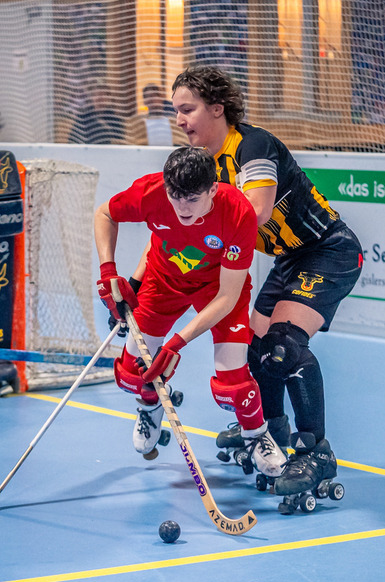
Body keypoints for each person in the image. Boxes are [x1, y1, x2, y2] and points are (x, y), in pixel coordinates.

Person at [171, 66, 364, 499]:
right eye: (176, 111)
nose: (179, 120)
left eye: (187, 109)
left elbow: (255, 212)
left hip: (328, 250)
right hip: (289, 259)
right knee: (256, 349)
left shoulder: (251, 144)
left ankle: (315, 452)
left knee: (283, 347)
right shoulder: (204, 163)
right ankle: (270, 432)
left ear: (217, 108)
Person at [94, 146, 286, 477]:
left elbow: (227, 296)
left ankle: (257, 435)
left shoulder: (237, 213)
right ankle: (151, 405)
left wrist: (177, 342)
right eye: (175, 196)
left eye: (193, 199)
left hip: (218, 287)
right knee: (132, 373)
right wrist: (108, 272)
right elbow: (104, 214)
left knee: (232, 381)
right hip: (162, 280)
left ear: (213, 189)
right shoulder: (151, 192)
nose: (182, 207)